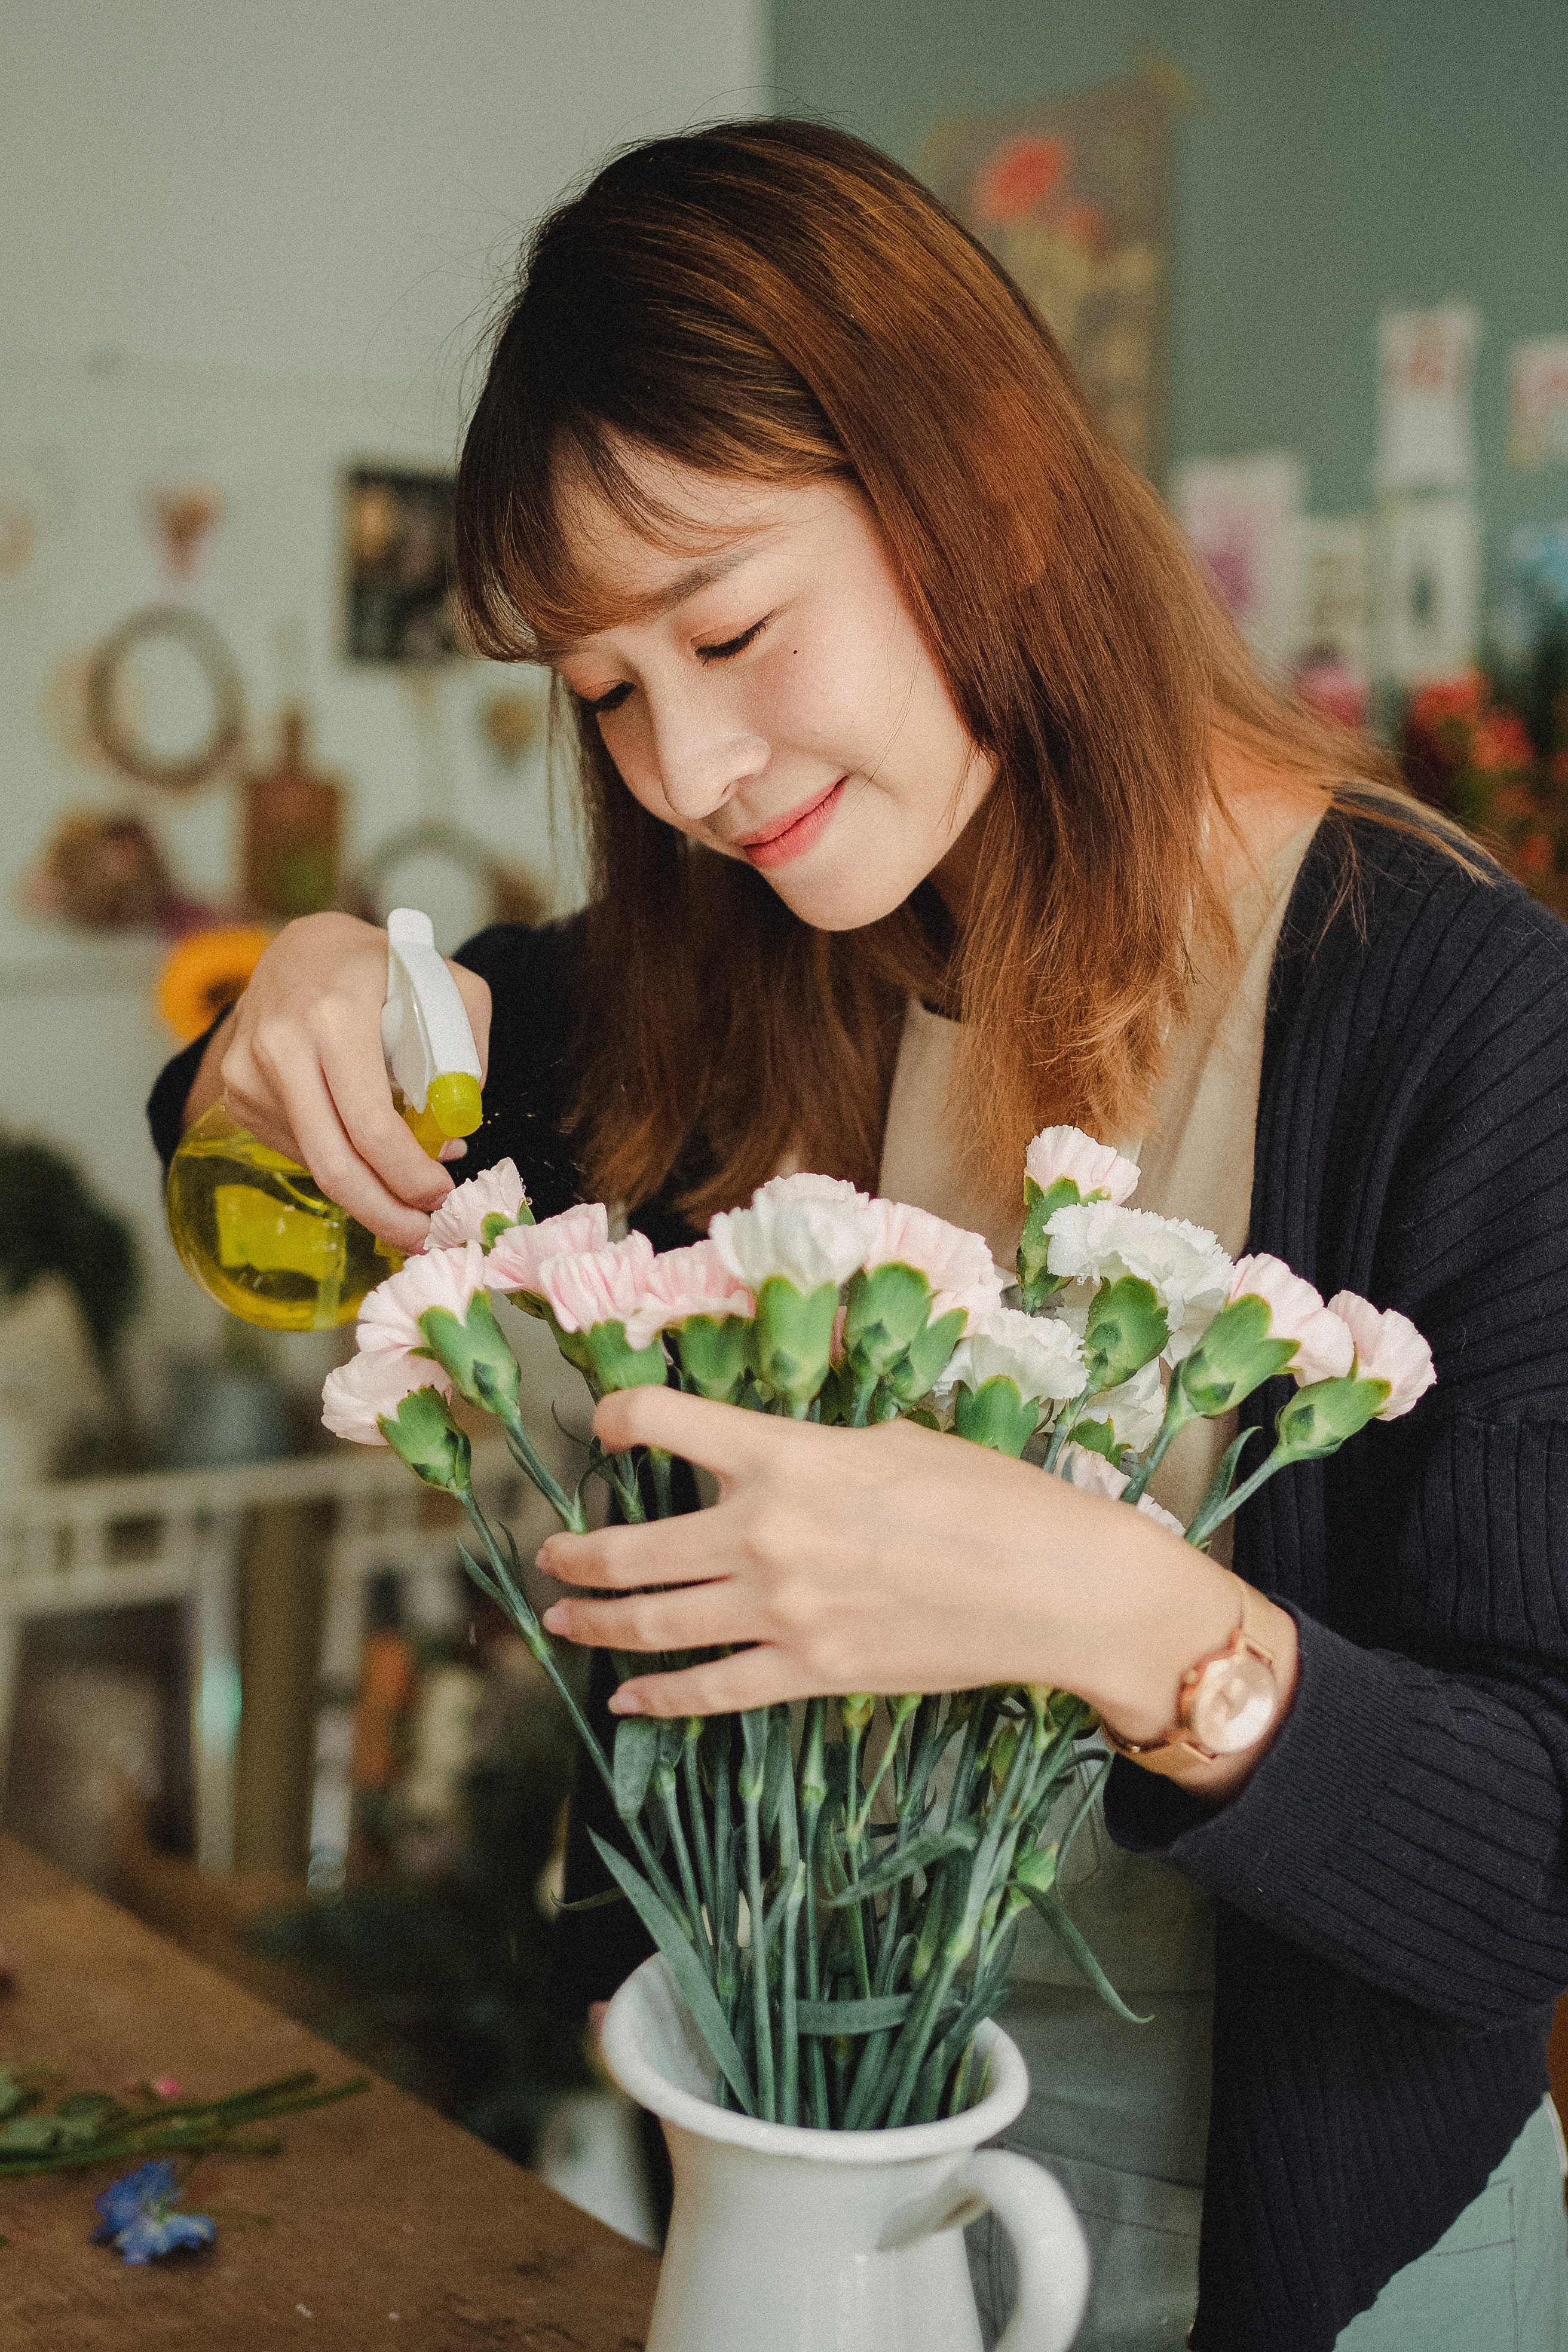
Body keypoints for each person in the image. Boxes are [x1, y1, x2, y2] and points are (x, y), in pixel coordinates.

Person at [148, 121, 1568, 2352]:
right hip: (808, 2227)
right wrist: (309, 980)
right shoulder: (753, 963)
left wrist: (1121, 1619)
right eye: (607, 690)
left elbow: (1533, 1853)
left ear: (980, 494)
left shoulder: (1456, 1021)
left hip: (1321, 2272)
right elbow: (271, 1112)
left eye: (728, 629)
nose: (687, 768)